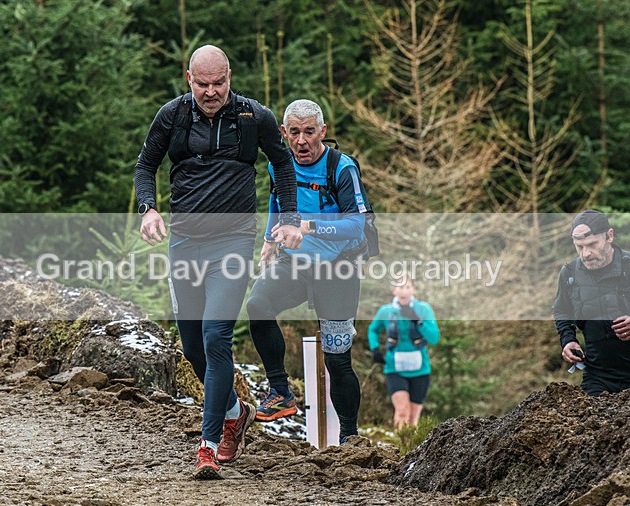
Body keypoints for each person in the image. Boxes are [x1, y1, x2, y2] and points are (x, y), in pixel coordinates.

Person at [134, 45, 303, 480]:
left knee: (216, 337)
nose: (212, 92)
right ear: (188, 78)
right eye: (203, 84)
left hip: (233, 241)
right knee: (193, 348)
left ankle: (208, 445)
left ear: (230, 76)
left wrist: (287, 219)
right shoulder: (171, 116)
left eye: (219, 83)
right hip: (185, 243)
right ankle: (234, 411)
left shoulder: (254, 117)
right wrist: (148, 208)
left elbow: (282, 164)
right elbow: (145, 165)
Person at [246, 98, 372, 443]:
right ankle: (280, 392)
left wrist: (308, 227)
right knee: (257, 305)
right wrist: (271, 240)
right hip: (295, 264)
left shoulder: (341, 168)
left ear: (323, 132)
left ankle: (350, 438)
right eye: (295, 133)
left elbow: (356, 227)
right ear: (284, 133)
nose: (302, 142)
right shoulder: (279, 164)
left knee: (337, 361)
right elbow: (276, 200)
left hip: (337, 270)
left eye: (310, 132)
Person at [553, 209, 630, 396]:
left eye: (592, 244)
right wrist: (568, 340)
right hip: (598, 378)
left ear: (610, 236)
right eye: (579, 246)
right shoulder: (569, 274)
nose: (586, 254)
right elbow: (562, 310)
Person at [367, 276, 439, 428]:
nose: (404, 291)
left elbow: (434, 338)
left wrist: (417, 321)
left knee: (413, 418)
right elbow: (373, 330)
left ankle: (410, 450)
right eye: (400, 287)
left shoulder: (423, 309)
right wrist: (375, 348)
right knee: (402, 411)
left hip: (420, 369)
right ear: (394, 290)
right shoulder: (386, 311)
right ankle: (399, 449)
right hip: (394, 368)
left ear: (414, 290)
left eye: (407, 287)